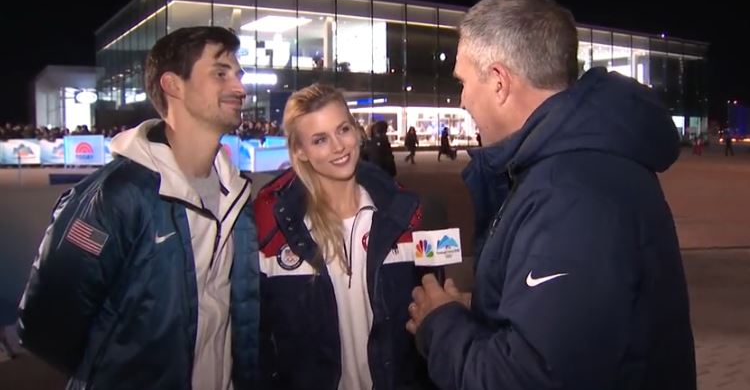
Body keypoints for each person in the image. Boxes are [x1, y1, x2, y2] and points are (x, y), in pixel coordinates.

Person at [406, 0, 696, 389]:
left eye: (463, 81)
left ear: (498, 82)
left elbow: (528, 378)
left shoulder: (573, 196)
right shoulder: (566, 167)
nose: (461, 100)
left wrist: (441, 324)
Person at [16, 26, 260, 390]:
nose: (240, 88)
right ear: (173, 85)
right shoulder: (116, 195)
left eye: (238, 75)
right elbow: (45, 328)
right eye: (221, 73)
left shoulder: (237, 194)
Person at [253, 84, 439, 390]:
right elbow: (260, 338)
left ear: (357, 130)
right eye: (320, 139)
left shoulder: (408, 215)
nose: (338, 147)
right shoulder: (272, 230)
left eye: (343, 129)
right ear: (300, 151)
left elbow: (431, 315)